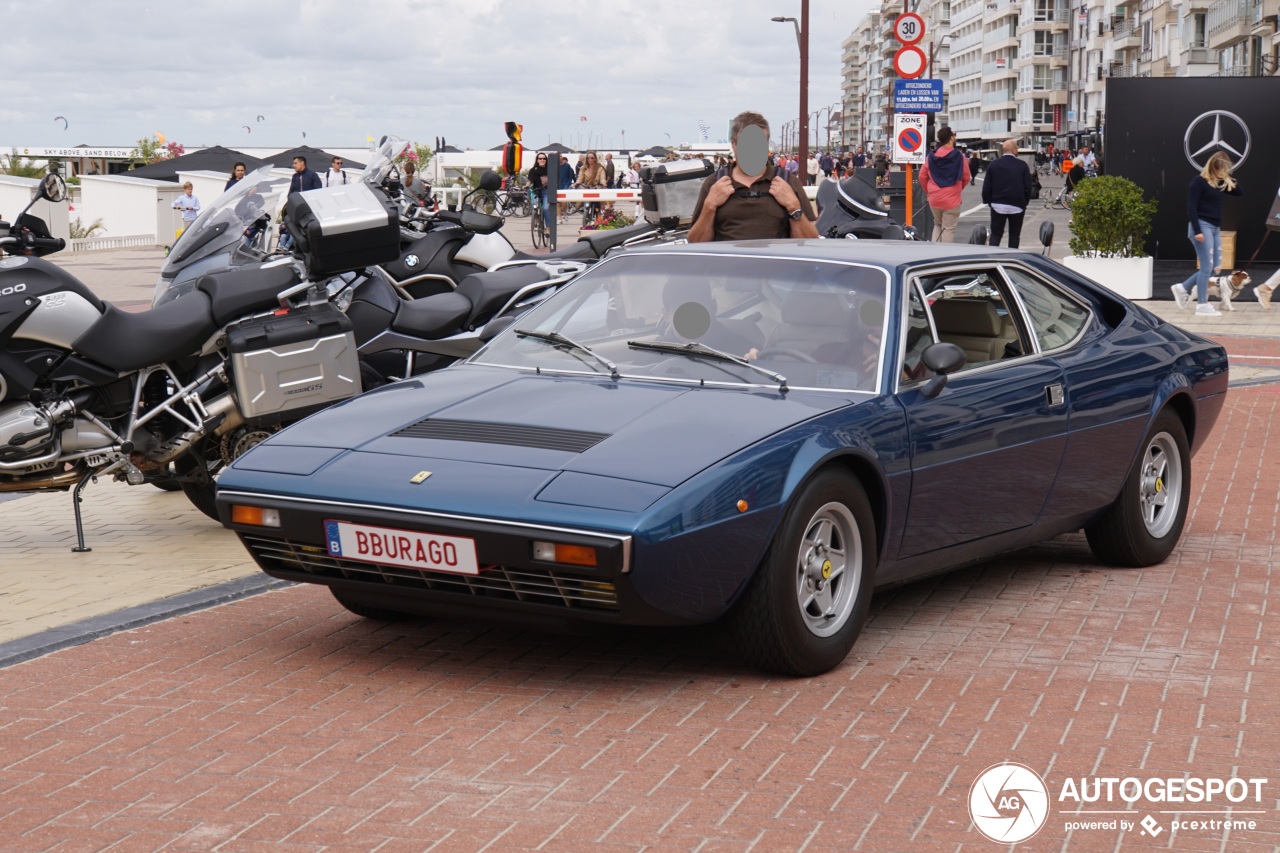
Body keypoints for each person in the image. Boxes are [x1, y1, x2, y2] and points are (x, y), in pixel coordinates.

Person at [688, 110, 818, 242]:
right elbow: (695, 243)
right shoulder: (714, 183)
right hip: (727, 261)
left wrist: (794, 207)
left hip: (775, 261)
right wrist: (709, 206)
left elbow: (810, 243)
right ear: (734, 144)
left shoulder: (788, 181)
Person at [1170, 151, 1244, 317]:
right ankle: (1202, 304)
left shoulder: (1219, 183)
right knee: (1206, 268)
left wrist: (1227, 178)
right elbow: (1191, 208)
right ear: (1213, 167)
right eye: (1221, 168)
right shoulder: (1199, 182)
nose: (1223, 171)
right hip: (1202, 226)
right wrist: (1197, 231)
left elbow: (1239, 192)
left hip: (1215, 228)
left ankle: (1182, 288)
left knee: (1214, 267)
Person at [918, 127, 971, 243]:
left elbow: (922, 176)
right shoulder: (959, 157)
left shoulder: (931, 157)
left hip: (934, 198)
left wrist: (929, 190)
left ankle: (934, 252)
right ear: (951, 137)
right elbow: (966, 177)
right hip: (952, 198)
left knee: (937, 224)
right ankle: (945, 254)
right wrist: (958, 189)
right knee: (948, 229)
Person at [982, 139, 1034, 249]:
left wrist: (988, 201)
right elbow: (1028, 187)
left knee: (996, 234)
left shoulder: (994, 164)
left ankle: (992, 256)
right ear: (1014, 150)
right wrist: (1024, 202)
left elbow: (987, 186)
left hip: (998, 204)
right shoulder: (1022, 165)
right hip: (1017, 204)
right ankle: (1012, 257)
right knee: (1014, 235)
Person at [526, 152, 550, 224]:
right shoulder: (533, 170)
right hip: (536, 191)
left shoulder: (550, 169)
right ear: (537, 160)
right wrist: (526, 185)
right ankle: (536, 219)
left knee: (545, 208)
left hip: (546, 191)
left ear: (546, 160)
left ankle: (548, 229)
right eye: (540, 158)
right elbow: (530, 180)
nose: (542, 160)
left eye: (544, 158)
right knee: (535, 206)